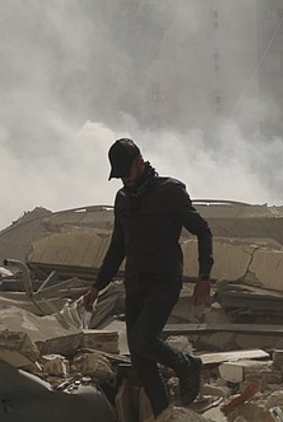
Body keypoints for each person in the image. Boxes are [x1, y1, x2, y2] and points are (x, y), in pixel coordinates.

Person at [80, 138, 213, 415]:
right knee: (140, 358)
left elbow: (203, 230)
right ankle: (165, 414)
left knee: (143, 340)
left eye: (127, 174)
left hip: (164, 280)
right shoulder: (123, 199)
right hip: (136, 283)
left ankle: (188, 365)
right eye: (120, 177)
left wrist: (204, 275)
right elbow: (117, 246)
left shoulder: (170, 191)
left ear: (140, 163)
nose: (125, 181)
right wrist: (97, 286)